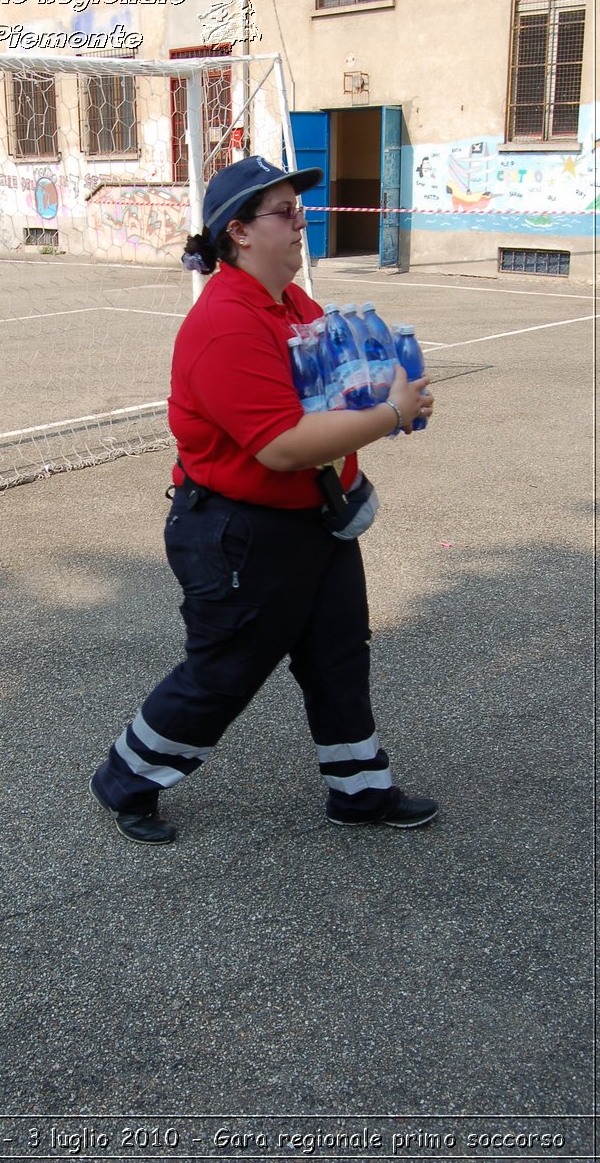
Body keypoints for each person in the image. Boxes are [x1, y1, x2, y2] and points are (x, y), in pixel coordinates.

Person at [89, 156, 437, 844]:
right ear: (239, 232)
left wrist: (392, 385)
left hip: (311, 520)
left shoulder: (290, 305)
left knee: (338, 655)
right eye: (284, 211)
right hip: (239, 532)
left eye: (298, 209)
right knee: (224, 671)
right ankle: (125, 780)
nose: (300, 221)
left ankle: (360, 792)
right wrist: (391, 415)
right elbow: (279, 446)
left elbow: (336, 385)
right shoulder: (225, 322)